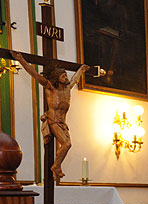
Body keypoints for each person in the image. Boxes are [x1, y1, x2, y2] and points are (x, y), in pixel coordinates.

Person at [11, 51, 90, 180]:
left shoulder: (67, 89)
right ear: (56, 77)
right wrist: (21, 59)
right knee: (66, 145)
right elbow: (34, 73)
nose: (66, 77)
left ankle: (56, 165)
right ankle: (56, 166)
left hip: (63, 123)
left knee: (67, 144)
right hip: (53, 121)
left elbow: (75, 78)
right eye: (63, 76)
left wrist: (81, 69)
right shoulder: (50, 87)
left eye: (66, 75)